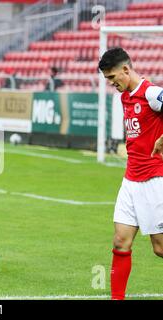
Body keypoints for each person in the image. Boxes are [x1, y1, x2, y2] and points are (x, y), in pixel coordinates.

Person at [98, 47, 163, 300]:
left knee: (159, 249)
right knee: (120, 242)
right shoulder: (125, 96)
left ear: (126, 69)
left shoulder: (152, 93)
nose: (111, 83)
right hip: (130, 181)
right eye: (108, 79)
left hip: (154, 180)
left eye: (113, 77)